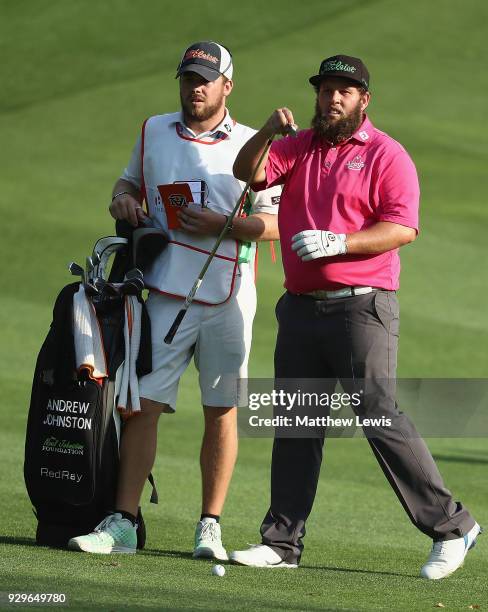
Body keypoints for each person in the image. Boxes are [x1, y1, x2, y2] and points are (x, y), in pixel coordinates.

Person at [229, 54, 481, 578]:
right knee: (297, 422)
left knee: (378, 413)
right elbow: (246, 174)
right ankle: (281, 542)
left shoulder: (388, 155)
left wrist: (337, 242)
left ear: (364, 99)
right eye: (326, 91)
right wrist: (268, 134)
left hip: (362, 305)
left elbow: (402, 228)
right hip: (301, 309)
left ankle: (453, 526)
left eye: (345, 91)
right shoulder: (297, 147)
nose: (333, 99)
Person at [68, 41, 280, 559]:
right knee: (141, 408)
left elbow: (274, 224)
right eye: (188, 79)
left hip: (229, 296)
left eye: (206, 79)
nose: (196, 88)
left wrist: (224, 227)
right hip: (161, 292)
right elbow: (129, 183)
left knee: (221, 410)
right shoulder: (154, 129)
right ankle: (123, 522)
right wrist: (122, 198)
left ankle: (210, 526)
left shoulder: (253, 144)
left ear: (227, 86)